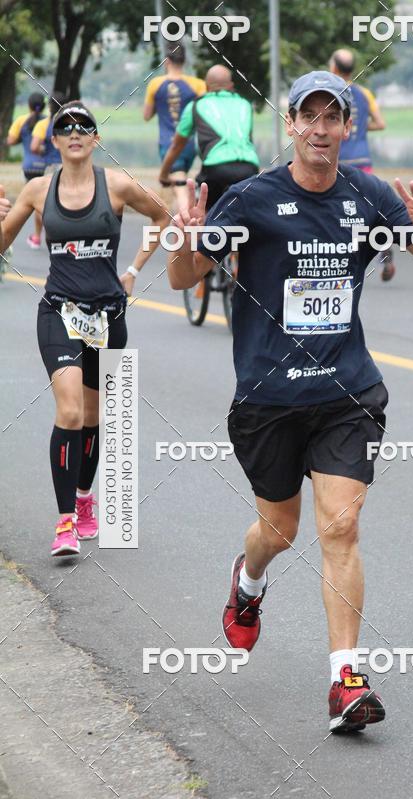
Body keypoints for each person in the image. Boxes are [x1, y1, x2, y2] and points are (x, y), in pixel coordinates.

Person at [167, 71, 413, 731]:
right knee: (278, 530)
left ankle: (345, 680)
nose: (321, 130)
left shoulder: (368, 195)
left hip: (346, 392)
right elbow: (185, 276)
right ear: (291, 124)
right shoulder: (251, 199)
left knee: (341, 526)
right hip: (267, 397)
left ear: (348, 127)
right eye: (310, 117)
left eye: (333, 118)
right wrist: (186, 239)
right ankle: (248, 581)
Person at [0, 101, 170, 556]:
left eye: (84, 126)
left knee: (93, 417)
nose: (74, 132)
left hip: (108, 317)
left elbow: (164, 216)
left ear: (96, 138)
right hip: (58, 312)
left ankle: (84, 497)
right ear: (54, 140)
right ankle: (65, 524)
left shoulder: (116, 185)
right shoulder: (38, 190)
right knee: (71, 411)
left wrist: (133, 269)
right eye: (65, 127)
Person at [329, 49, 393, 281]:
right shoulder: (364, 93)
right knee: (370, 209)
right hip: (362, 160)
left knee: (334, 211)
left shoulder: (330, 93)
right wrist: (358, 128)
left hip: (338, 162)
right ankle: (385, 252)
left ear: (334, 68)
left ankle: (338, 260)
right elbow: (381, 123)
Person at [157, 64, 259, 210]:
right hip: (249, 168)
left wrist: (163, 174)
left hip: (215, 169)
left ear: (206, 86)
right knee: (248, 214)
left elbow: (176, 146)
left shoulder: (196, 105)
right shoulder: (245, 104)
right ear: (231, 86)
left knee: (201, 213)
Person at [144, 43, 205, 210]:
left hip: (168, 145)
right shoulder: (198, 85)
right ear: (184, 61)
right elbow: (204, 112)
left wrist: (161, 103)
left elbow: (146, 116)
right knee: (179, 182)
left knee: (179, 186)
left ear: (166, 61)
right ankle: (180, 222)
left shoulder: (155, 84)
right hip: (190, 144)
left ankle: (185, 221)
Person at [7, 92, 47, 248]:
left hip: (29, 166)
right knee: (46, 199)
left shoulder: (21, 120)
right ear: (43, 106)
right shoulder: (47, 121)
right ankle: (45, 234)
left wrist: (22, 138)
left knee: (36, 200)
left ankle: (36, 236)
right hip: (47, 165)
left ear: (29, 105)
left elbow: (10, 140)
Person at [31, 93, 66, 175]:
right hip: (67, 165)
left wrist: (43, 150)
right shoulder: (69, 123)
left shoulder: (43, 124)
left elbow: (34, 147)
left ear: (50, 106)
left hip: (50, 165)